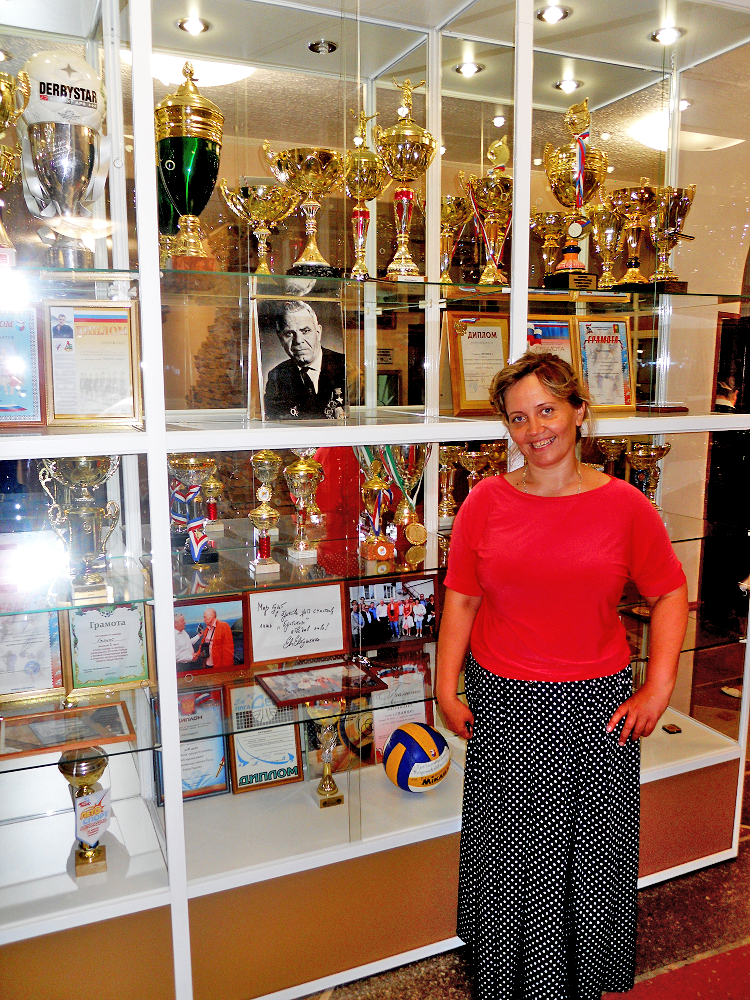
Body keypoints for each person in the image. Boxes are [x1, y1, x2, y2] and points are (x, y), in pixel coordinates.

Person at [436, 351, 688, 1000]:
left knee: (585, 858)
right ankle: (510, 977)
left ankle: (572, 982)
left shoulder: (625, 505)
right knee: (514, 855)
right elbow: (461, 597)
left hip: (595, 713)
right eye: (518, 418)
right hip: (505, 704)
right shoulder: (484, 503)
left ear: (579, 412)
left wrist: (659, 688)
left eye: (547, 410)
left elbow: (668, 593)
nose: (534, 429)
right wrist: (444, 687)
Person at [263, 300, 346, 419]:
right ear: (281, 339)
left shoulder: (346, 367)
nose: (298, 340)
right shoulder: (277, 376)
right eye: (289, 334)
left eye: (305, 331)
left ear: (318, 332)